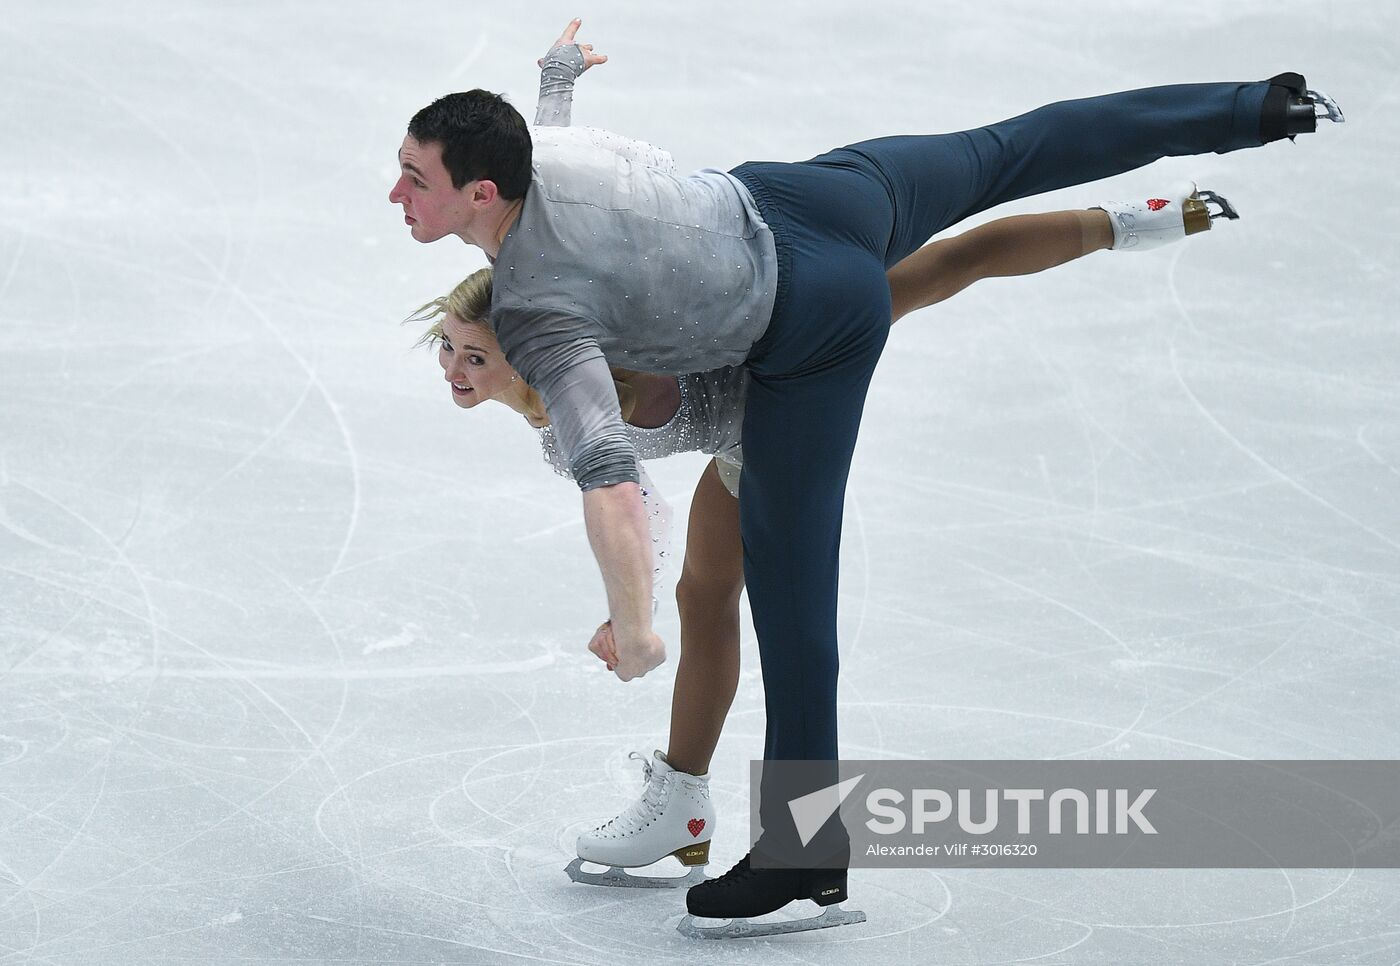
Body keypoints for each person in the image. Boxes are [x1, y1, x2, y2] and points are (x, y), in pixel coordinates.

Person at [389, 21, 1343, 936]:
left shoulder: (541, 317)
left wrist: (635, 629)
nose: (396, 196)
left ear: (480, 190)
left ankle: (805, 849)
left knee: (797, 609)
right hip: (812, 195)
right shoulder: (536, 165)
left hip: (805, 324)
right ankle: (1254, 108)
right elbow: (536, 145)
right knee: (1011, 149)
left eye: (413, 177)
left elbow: (606, 474)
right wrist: (555, 78)